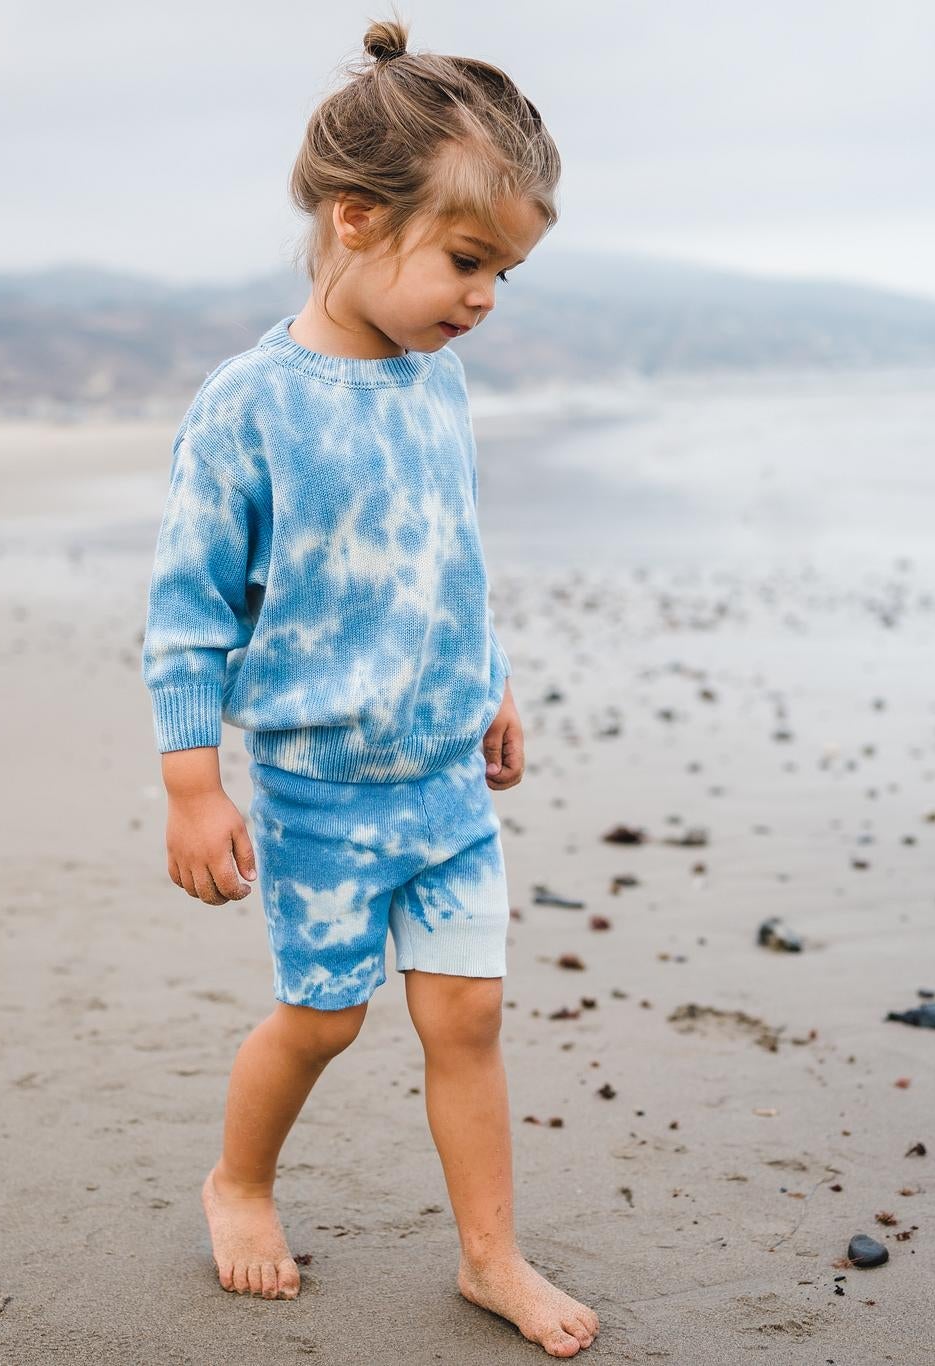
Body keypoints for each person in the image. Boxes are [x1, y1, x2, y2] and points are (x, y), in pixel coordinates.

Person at [138, 15, 598, 1359]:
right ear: (355, 218)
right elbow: (183, 616)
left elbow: (453, 559)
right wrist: (190, 784)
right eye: (468, 260)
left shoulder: (438, 387)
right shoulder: (248, 407)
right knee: (325, 1016)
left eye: (504, 270)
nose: (484, 297)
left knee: (469, 1010)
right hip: (320, 788)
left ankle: (490, 1254)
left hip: (448, 778)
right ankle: (240, 1180)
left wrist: (494, 684)